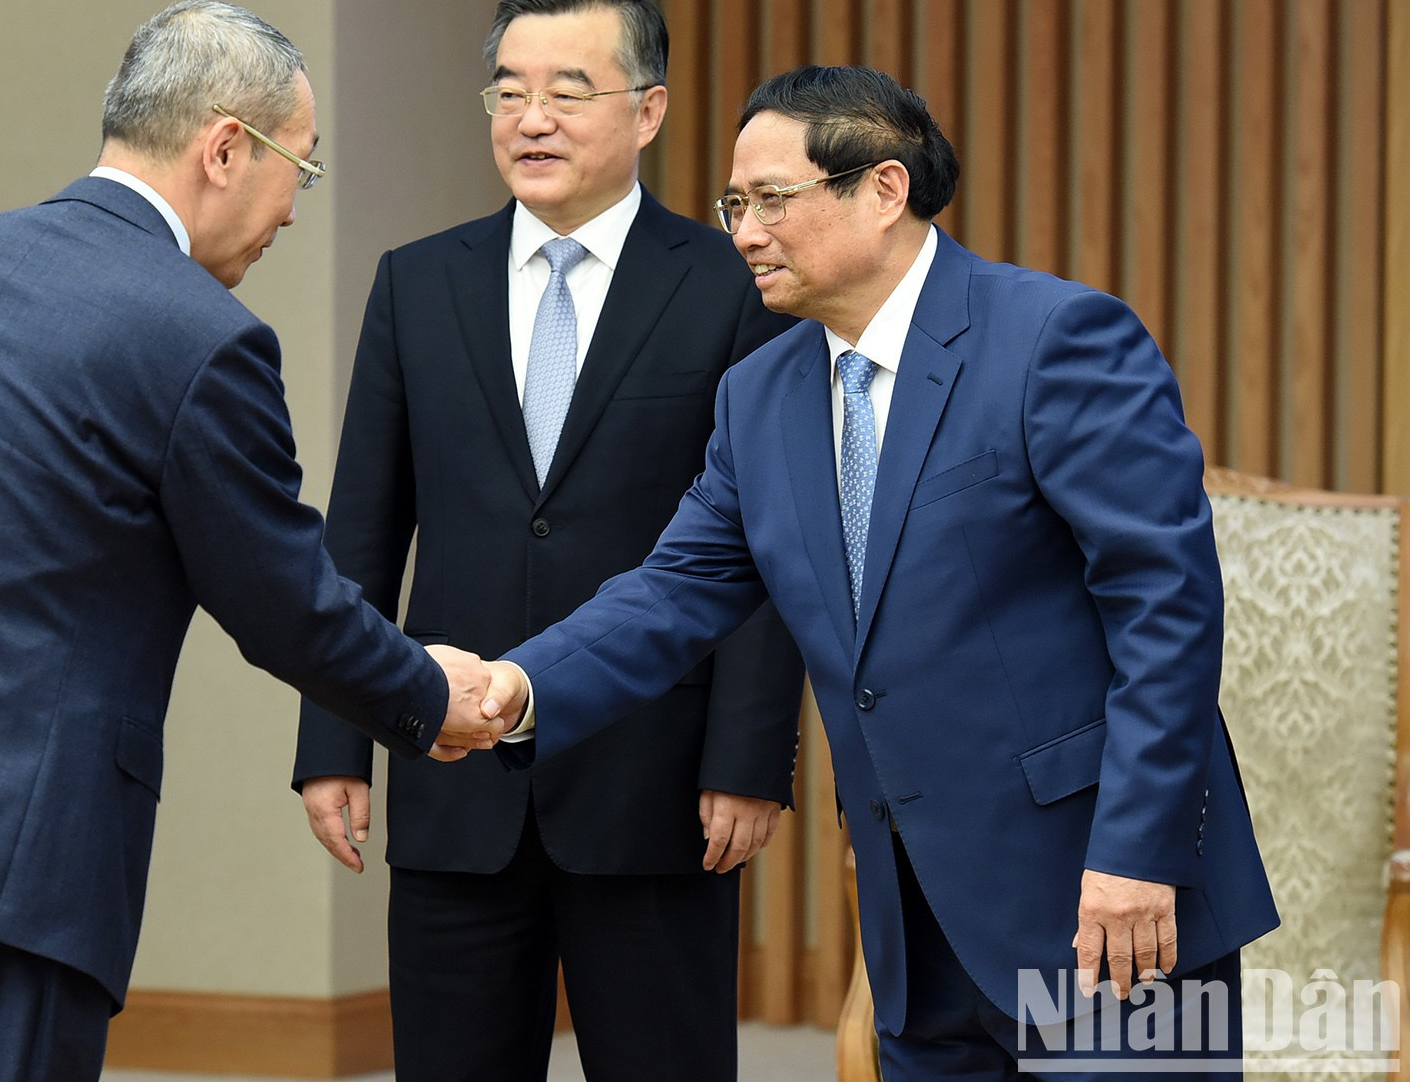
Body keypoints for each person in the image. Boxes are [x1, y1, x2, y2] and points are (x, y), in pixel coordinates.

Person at [0, 0, 511, 1080]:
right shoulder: (202, 337)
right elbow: (283, 599)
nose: (291, 210)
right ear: (226, 148)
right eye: (301, 169)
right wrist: (424, 692)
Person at [487, 65, 1279, 1078]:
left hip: (1103, 901)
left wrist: (1136, 853)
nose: (745, 232)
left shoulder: (1055, 339)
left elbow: (1166, 611)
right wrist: (516, 688)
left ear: (884, 189)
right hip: (915, 923)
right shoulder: (756, 396)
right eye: (734, 205)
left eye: (772, 199)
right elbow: (670, 592)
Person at [291, 0, 802, 1082]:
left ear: (648, 111)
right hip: (454, 769)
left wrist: (749, 754)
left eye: (569, 92)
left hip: (656, 779)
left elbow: (767, 543)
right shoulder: (417, 283)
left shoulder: (733, 287)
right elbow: (363, 530)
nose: (532, 119)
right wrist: (336, 737)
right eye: (509, 92)